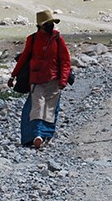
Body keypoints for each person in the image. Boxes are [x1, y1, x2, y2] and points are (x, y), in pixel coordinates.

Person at [8, 8, 71, 149]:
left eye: (52, 24)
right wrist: (13, 75)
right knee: (37, 107)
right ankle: (38, 135)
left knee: (50, 109)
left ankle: (44, 136)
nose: (51, 27)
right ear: (40, 26)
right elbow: (23, 58)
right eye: (48, 24)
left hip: (54, 80)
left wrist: (63, 80)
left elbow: (65, 61)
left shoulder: (58, 39)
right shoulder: (33, 39)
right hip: (36, 80)